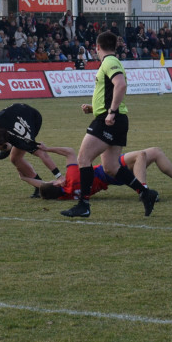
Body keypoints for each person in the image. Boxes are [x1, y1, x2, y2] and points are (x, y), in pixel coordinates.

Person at [62, 31, 158, 219]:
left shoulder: (109, 62)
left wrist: (110, 112)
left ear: (97, 47)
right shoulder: (111, 62)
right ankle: (146, 193)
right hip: (114, 118)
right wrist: (95, 108)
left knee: (83, 159)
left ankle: (84, 204)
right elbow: (111, 91)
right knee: (111, 167)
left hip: (110, 119)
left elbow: (120, 85)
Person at [22, 144, 172, 210]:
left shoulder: (66, 194)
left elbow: (39, 184)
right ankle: (144, 191)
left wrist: (25, 177)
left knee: (155, 152)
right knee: (142, 155)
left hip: (108, 178)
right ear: (57, 183)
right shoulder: (69, 179)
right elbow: (70, 152)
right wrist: (47, 149)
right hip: (107, 170)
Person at [0, 104, 62, 198]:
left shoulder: (23, 140)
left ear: (4, 142)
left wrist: (59, 176)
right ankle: (8, 149)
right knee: (14, 158)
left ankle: (8, 149)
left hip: (33, 118)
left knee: (15, 158)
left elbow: (43, 154)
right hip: (13, 114)